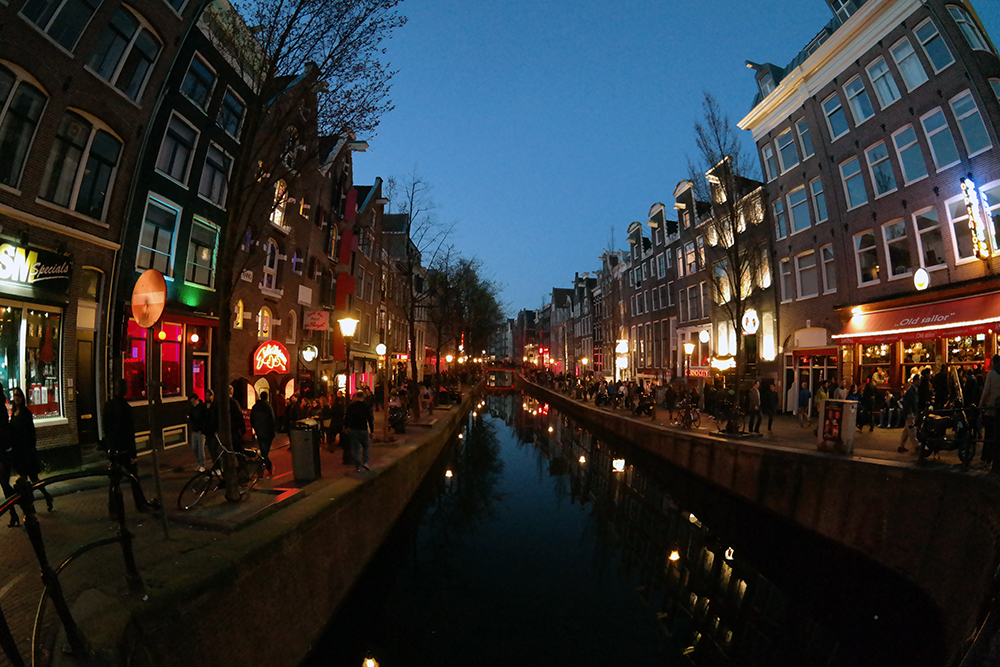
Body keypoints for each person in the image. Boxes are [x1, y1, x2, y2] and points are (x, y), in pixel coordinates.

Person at [104, 379, 152, 515]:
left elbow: (106, 429)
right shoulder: (126, 408)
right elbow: (129, 433)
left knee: (114, 480)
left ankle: (113, 510)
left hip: (114, 449)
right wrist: (133, 454)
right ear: (124, 390)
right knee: (134, 477)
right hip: (125, 449)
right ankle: (140, 505)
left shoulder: (108, 406)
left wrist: (109, 447)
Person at [9, 387, 54, 512]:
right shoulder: (14, 412)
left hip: (25, 451)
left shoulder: (25, 413)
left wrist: (30, 448)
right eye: (15, 395)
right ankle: (34, 504)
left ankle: (44, 497)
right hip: (18, 451)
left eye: (18, 395)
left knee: (33, 479)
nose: (17, 398)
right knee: (26, 479)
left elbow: (30, 432)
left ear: (22, 398)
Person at [0, 389, 19, 527]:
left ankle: (21, 501)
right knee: (4, 484)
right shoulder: (2, 408)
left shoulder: (0, 410)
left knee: (5, 484)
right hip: (3, 453)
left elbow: (2, 433)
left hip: (2, 454)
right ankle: (14, 512)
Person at [345, 391, 374, 472]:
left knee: (356, 448)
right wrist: (371, 430)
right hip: (363, 428)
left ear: (356, 397)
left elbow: (347, 417)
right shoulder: (366, 406)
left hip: (354, 429)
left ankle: (358, 465)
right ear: (363, 397)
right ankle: (365, 461)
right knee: (366, 446)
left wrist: (346, 426)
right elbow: (370, 419)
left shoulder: (352, 406)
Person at [979, 355, 1000, 466]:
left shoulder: (991, 374)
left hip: (991, 409)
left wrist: (981, 404)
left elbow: (986, 391)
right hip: (999, 410)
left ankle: (986, 457)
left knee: (988, 434)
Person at [251, 391, 277, 475]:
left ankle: (263, 469)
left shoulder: (255, 407)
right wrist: (273, 431)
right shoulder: (268, 407)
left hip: (259, 431)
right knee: (264, 452)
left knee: (263, 451)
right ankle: (265, 468)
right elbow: (272, 420)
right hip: (267, 432)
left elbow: (252, 419)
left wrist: (255, 428)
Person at [188, 393, 210, 471]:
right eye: (192, 402)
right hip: (194, 431)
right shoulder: (192, 409)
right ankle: (199, 463)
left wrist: (202, 429)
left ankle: (202, 464)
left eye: (194, 401)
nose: (193, 403)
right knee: (194, 448)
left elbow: (204, 420)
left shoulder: (202, 408)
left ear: (197, 400)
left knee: (201, 449)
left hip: (201, 432)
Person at [898, 376, 920, 453]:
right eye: (918, 380)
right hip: (910, 413)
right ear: (915, 381)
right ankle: (916, 445)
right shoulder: (911, 391)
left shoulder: (913, 390)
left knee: (907, 430)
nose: (919, 382)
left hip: (910, 412)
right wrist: (910, 413)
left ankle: (901, 446)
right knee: (912, 429)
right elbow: (908, 403)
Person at [229, 386, 246, 453]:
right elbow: (239, 416)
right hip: (234, 428)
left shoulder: (221, 403)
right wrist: (242, 428)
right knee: (237, 446)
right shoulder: (234, 403)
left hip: (224, 428)